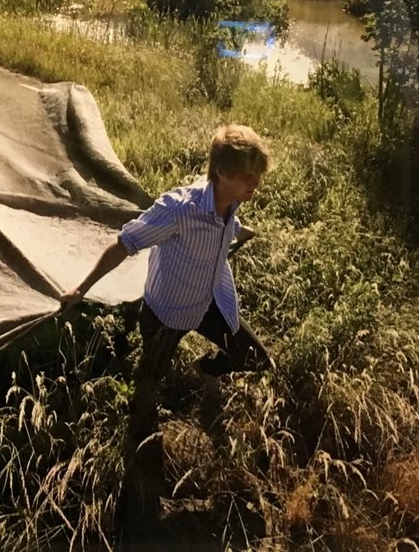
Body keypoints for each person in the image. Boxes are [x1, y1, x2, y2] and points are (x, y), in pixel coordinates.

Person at [58, 123, 273, 522]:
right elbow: (124, 243)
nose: (255, 184)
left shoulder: (232, 201)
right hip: (167, 313)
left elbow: (225, 228)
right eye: (248, 176)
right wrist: (81, 289)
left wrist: (241, 232)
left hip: (209, 303)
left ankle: (205, 369)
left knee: (258, 360)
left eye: (258, 175)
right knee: (147, 393)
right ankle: (139, 486)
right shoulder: (180, 208)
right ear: (222, 172)